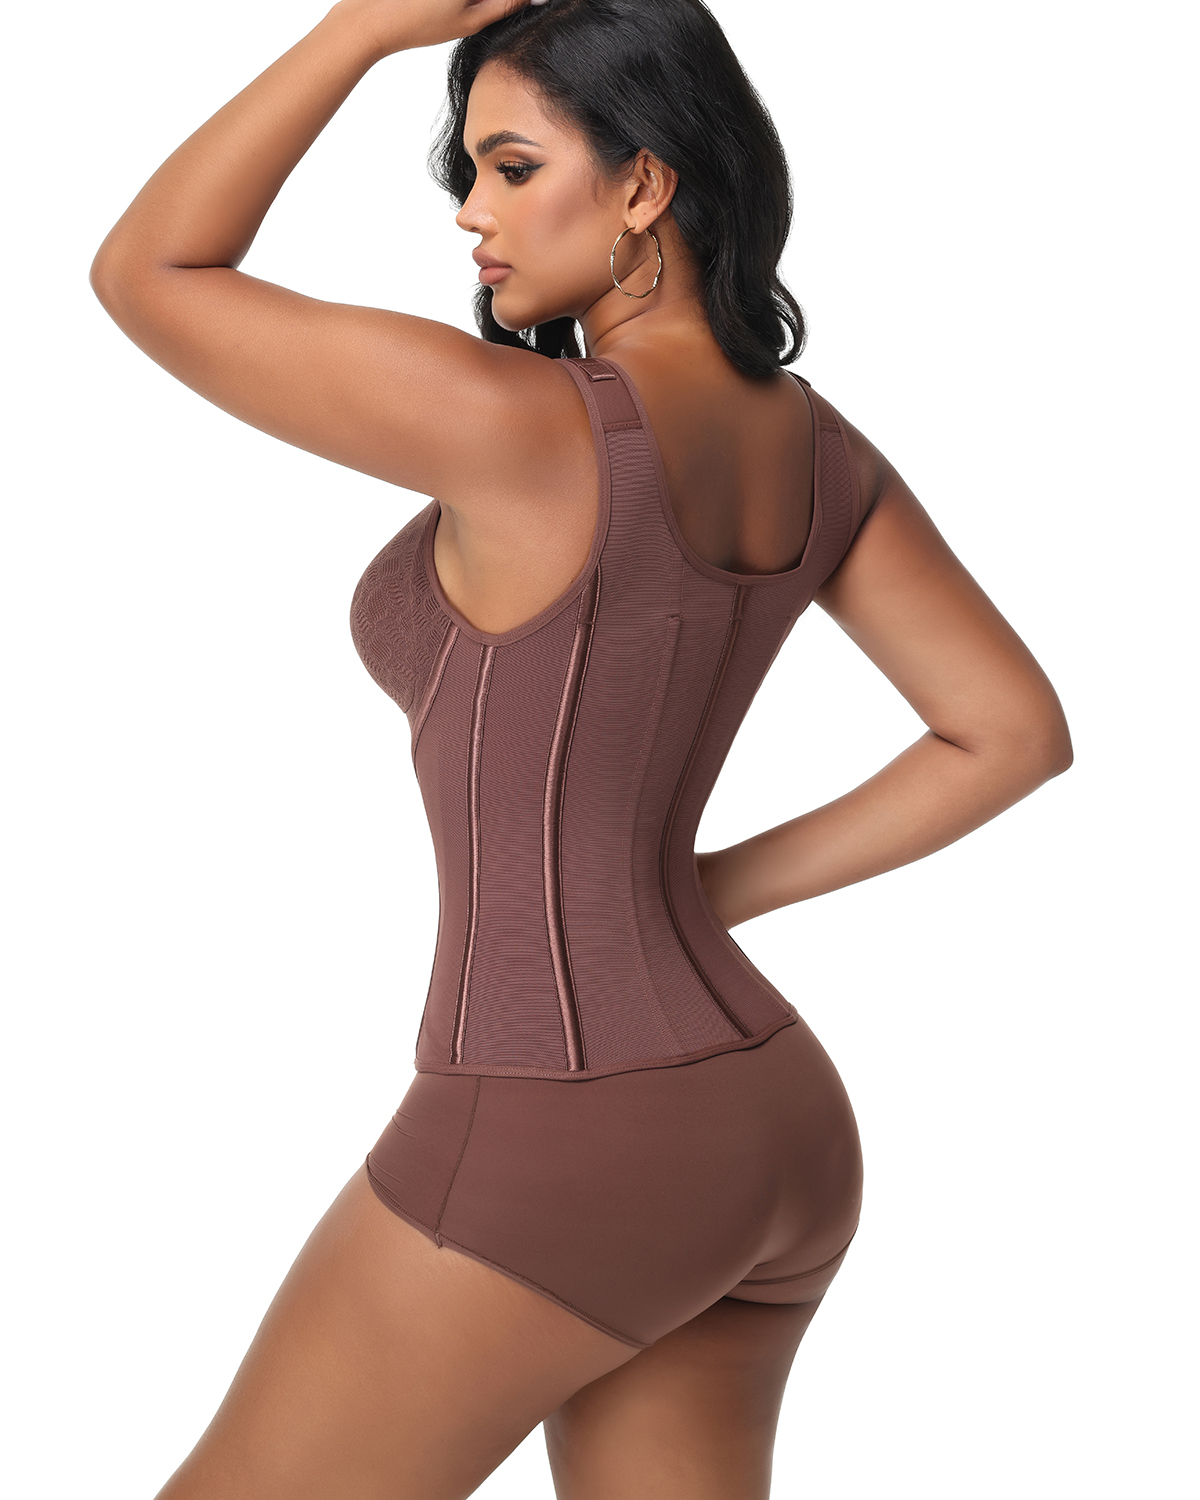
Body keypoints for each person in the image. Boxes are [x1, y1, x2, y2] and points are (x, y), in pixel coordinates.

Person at [89, 0, 1073, 1495]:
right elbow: (1008, 734)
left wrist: (361, 28)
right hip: (773, 1129)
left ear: (643, 183)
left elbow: (151, 272)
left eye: (511, 165)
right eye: (466, 173)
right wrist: (697, 896)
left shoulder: (519, 423)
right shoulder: (822, 451)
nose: (470, 214)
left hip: (555, 1119)